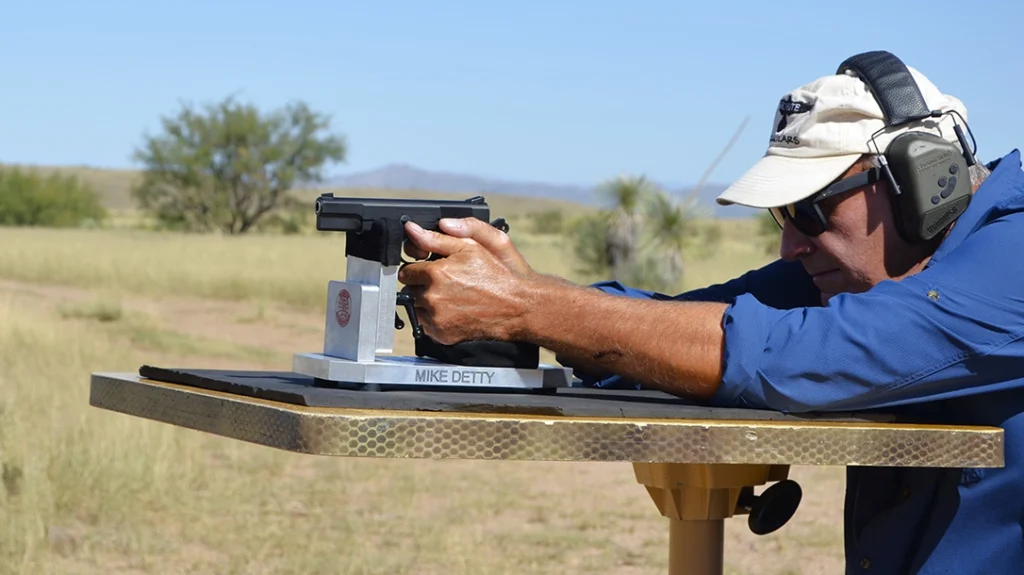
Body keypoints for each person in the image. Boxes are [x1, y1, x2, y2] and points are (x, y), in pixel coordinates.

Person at [397, 51, 1024, 574]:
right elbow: (688, 322)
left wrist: (530, 307)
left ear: (925, 179)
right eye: (783, 215)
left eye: (811, 210)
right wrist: (528, 291)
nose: (791, 245)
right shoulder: (869, 270)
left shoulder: (1012, 263)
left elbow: (791, 353)